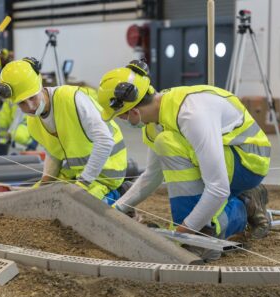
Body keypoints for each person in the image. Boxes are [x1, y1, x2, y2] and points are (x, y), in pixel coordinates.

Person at [98, 60, 271, 260]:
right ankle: (203, 231)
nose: (124, 121)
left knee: (169, 145)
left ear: (134, 112)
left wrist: (183, 233)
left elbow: (218, 188)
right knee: (166, 142)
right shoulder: (156, 122)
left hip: (249, 161)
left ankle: (246, 202)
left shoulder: (191, 115)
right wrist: (117, 209)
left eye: (122, 116)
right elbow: (152, 176)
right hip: (226, 161)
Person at [0, 57, 128, 203]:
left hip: (107, 172)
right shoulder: (33, 122)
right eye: (22, 103)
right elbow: (54, 154)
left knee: (77, 206)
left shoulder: (71, 99)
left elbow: (105, 141)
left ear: (40, 85)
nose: (30, 107)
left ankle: (118, 194)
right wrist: (46, 182)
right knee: (37, 199)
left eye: (32, 98)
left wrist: (83, 183)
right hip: (76, 173)